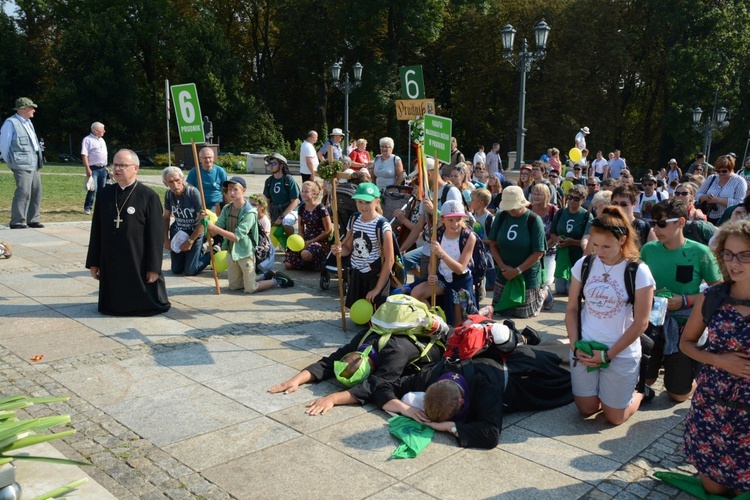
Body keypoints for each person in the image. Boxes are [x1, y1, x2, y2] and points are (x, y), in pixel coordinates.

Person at [374, 344, 573, 449]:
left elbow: (491, 434)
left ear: (461, 401)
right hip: (498, 362)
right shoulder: (429, 376)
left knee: (569, 375)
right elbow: (382, 387)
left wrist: (449, 427)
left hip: (528, 377)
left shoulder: (484, 386)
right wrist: (405, 408)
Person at [565, 206, 655, 425]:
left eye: (606, 246)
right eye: (595, 245)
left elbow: (642, 323)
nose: (599, 252)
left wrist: (608, 355)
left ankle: (640, 392)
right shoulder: (584, 264)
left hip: (620, 351)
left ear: (622, 240)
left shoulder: (638, 271)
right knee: (586, 409)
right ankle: (609, 394)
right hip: (586, 347)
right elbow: (572, 309)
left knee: (614, 417)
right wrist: (575, 345)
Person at [680, 220, 750, 495]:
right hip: (712, 409)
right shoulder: (712, 297)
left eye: (745, 255)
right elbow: (686, 343)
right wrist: (719, 361)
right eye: (728, 254)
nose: (735, 262)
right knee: (714, 487)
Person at [641, 199, 723, 402]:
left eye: (662, 223)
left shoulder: (701, 252)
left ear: (681, 222)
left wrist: (685, 300)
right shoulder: (649, 250)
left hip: (683, 325)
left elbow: (719, 290)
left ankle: (697, 376)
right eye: (654, 223)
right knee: (644, 381)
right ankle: (664, 366)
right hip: (651, 322)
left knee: (678, 395)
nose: (656, 229)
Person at [267, 325, 445, 415]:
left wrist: (333, 398)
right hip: (396, 346)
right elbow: (329, 362)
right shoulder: (363, 338)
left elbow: (374, 386)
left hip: (437, 349)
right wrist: (297, 379)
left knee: (397, 385)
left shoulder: (394, 353)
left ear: (371, 369)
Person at [85, 149, 171, 316]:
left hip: (138, 258)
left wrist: (154, 267)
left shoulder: (148, 196)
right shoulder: (105, 194)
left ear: (135, 168)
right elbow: (96, 230)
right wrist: (94, 261)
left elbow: (155, 234)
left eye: (123, 165)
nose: (117, 169)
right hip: (111, 258)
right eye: (115, 165)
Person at [205, 176, 294, 293]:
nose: (231, 192)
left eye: (235, 189)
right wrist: (206, 222)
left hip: (245, 252)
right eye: (229, 189)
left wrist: (213, 227)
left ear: (244, 191)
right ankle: (263, 276)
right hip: (231, 252)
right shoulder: (227, 208)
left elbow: (237, 237)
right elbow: (214, 231)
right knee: (234, 286)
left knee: (250, 288)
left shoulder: (250, 212)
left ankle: (278, 280)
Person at [410, 200, 477, 326]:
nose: (455, 224)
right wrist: (431, 274)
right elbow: (432, 262)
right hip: (443, 278)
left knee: (457, 324)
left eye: (458, 219)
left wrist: (441, 253)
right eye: (450, 220)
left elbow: (460, 268)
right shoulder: (438, 234)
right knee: (416, 293)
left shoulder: (468, 237)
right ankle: (435, 322)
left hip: (460, 282)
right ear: (443, 220)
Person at [399, 158, 463, 280]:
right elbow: (419, 226)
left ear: (428, 174)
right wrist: (402, 249)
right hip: (428, 248)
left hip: (445, 252)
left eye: (418, 176)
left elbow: (458, 223)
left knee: (437, 292)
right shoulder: (427, 194)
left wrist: (434, 211)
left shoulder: (450, 192)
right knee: (423, 287)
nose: (416, 180)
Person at [332, 182, 393, 308]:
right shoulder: (354, 219)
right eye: (360, 202)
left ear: (376, 201)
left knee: (373, 319)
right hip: (356, 273)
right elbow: (348, 248)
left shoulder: (383, 226)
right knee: (357, 318)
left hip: (374, 276)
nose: (363, 206)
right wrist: (339, 250)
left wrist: (377, 289)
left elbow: (389, 260)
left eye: (367, 202)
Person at [488, 186, 547, 318]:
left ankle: (543, 294)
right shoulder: (501, 217)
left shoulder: (533, 220)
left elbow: (538, 252)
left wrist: (518, 270)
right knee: (501, 310)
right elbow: (493, 244)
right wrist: (503, 267)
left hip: (527, 273)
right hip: (505, 272)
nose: (511, 210)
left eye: (514, 207)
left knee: (524, 313)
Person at [0, 97, 45, 229]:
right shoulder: (10, 123)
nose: (34, 110)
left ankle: (33, 219)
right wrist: (11, 161)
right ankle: (17, 221)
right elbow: (4, 145)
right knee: (23, 191)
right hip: (21, 163)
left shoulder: (28, 122)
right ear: (23, 109)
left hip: (34, 162)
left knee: (36, 191)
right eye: (31, 107)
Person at [162, 166, 210, 276]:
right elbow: (166, 217)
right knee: (176, 270)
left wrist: (190, 241)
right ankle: (190, 256)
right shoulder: (169, 195)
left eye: (177, 180)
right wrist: (166, 239)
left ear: (182, 180)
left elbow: (203, 220)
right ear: (165, 184)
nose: (175, 185)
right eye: (170, 182)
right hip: (178, 231)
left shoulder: (193, 193)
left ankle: (210, 251)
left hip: (194, 231)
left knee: (190, 271)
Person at [284, 180, 331, 271]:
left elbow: (328, 230)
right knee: (288, 264)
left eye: (306, 191)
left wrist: (312, 241)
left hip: (320, 241)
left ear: (314, 194)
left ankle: (317, 262)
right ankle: (307, 263)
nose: (303, 193)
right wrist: (300, 243)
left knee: (305, 254)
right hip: (306, 239)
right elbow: (300, 229)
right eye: (302, 191)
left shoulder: (321, 208)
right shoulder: (302, 208)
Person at [695, 154, 747, 225]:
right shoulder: (711, 178)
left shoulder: (739, 181)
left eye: (724, 171)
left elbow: (739, 203)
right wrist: (705, 197)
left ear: (731, 169)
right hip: (707, 216)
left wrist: (717, 200)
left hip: (727, 219)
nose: (721, 173)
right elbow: (697, 195)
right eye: (718, 171)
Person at [529, 183, 558, 310]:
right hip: (531, 252)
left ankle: (547, 294)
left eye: (539, 194)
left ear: (547, 196)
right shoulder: (527, 209)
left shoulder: (554, 211)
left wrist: (544, 248)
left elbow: (556, 233)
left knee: (546, 281)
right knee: (535, 281)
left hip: (549, 251)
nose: (536, 196)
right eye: (534, 193)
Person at [262, 152, 300, 237]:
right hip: (275, 209)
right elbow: (267, 200)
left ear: (281, 165)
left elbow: (295, 202)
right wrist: (268, 215)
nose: (270, 166)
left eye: (273, 163)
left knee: (287, 221)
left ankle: (290, 245)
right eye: (269, 163)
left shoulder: (289, 180)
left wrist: (281, 217)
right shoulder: (269, 181)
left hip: (290, 209)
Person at [186, 147, 227, 216]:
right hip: (200, 205)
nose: (208, 160)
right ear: (200, 159)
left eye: (210, 157)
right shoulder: (194, 171)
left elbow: (226, 190)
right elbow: (190, 191)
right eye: (205, 158)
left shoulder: (220, 171)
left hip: (216, 205)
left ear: (213, 158)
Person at [81, 122, 108, 215]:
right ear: (95, 130)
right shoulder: (87, 140)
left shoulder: (102, 140)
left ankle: (101, 207)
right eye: (102, 129)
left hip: (103, 168)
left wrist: (106, 166)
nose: (104, 130)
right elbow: (84, 155)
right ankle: (87, 207)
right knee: (93, 189)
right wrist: (87, 168)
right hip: (93, 168)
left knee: (102, 190)